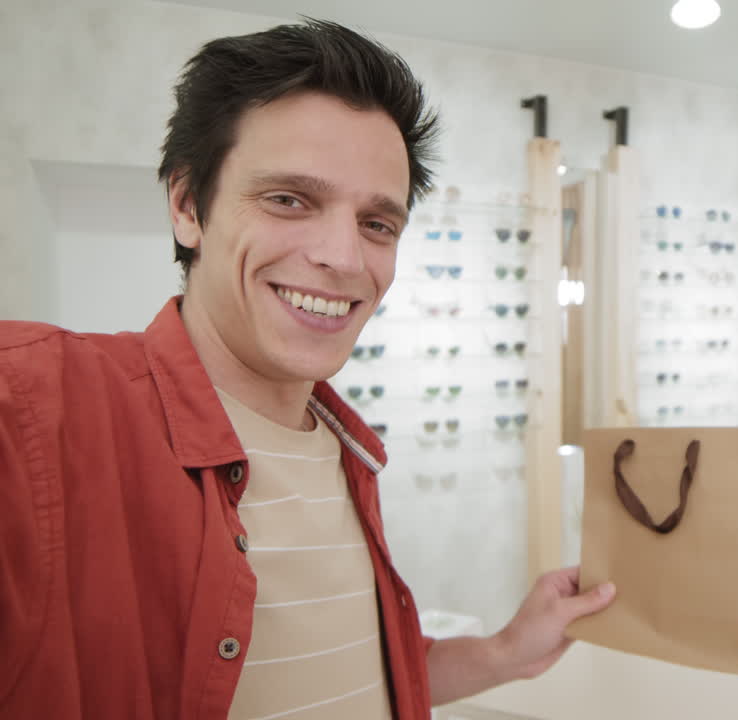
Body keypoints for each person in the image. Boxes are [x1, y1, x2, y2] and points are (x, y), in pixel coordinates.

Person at [0, 19, 614, 719]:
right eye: (290, 199)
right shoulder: (40, 412)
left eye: (376, 224)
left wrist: (504, 652)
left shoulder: (344, 447)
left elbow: (354, 676)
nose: (344, 258)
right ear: (186, 205)